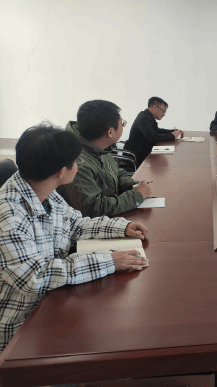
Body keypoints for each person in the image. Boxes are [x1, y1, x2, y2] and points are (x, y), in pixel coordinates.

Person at [0, 123, 149, 351]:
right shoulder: (9, 216)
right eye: (75, 161)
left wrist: (121, 227)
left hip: (53, 299)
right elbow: (35, 277)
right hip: (21, 326)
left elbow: (75, 224)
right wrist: (109, 261)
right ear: (61, 171)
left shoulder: (41, 187)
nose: (79, 165)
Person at [57, 100, 153, 217]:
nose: (123, 126)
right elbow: (93, 208)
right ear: (110, 132)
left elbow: (116, 172)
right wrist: (136, 196)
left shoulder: (98, 145)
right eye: (122, 123)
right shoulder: (76, 163)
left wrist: (132, 185)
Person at [124, 97, 184, 166]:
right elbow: (152, 137)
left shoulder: (147, 116)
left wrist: (174, 131)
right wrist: (172, 135)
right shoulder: (143, 118)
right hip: (134, 156)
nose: (164, 114)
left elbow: (158, 131)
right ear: (154, 107)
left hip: (143, 152)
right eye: (163, 111)